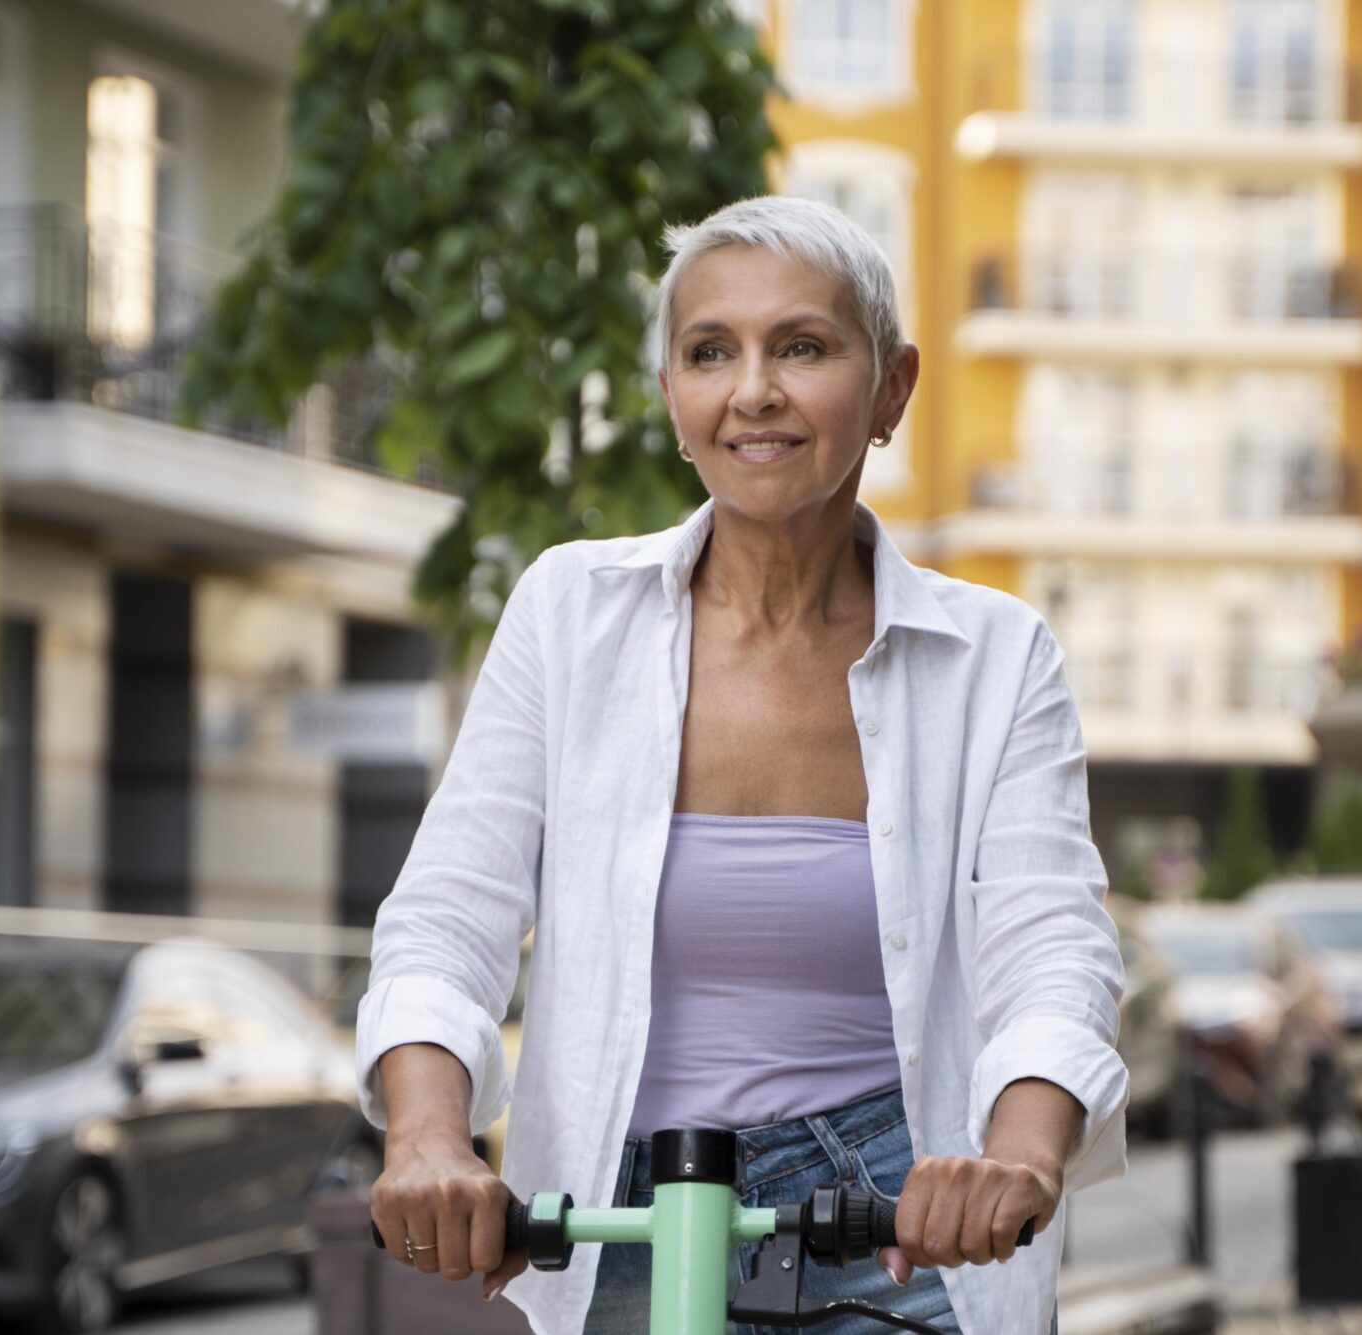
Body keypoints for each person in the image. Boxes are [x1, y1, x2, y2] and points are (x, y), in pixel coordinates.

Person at [357, 195, 1127, 1335]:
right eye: (709, 352)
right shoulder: (571, 613)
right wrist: (427, 1135)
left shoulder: (994, 655)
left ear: (891, 390)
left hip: (897, 1224)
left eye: (802, 347)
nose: (752, 390)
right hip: (625, 1218)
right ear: (673, 397)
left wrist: (1012, 1155)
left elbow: (1051, 944)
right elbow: (446, 918)